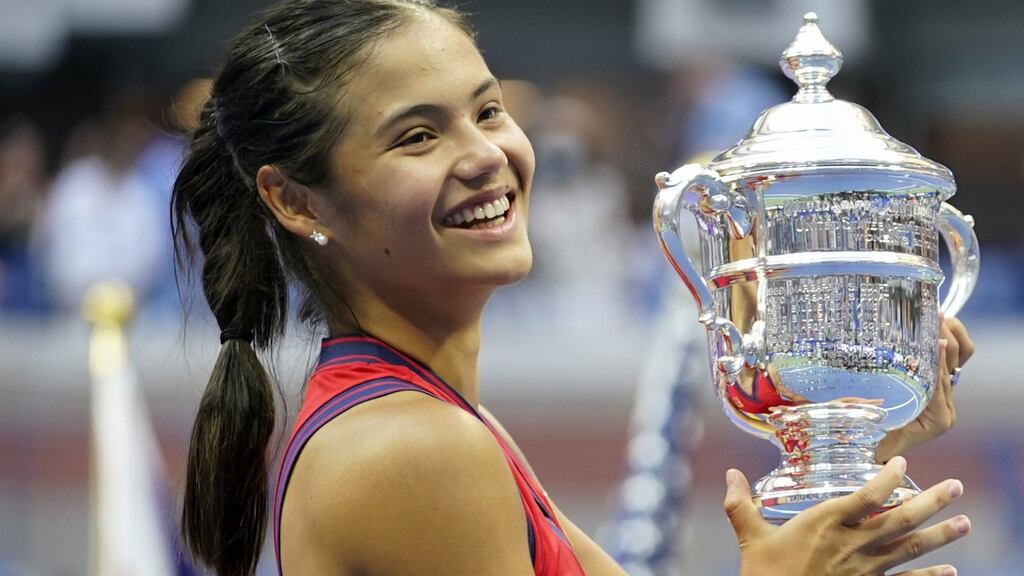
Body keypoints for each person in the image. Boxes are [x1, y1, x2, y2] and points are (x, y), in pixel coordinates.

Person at [171, 1, 976, 575]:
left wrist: (843, 450)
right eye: (417, 135)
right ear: (295, 200)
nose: (486, 153)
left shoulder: (449, 425)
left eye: (487, 111)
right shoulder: (412, 449)